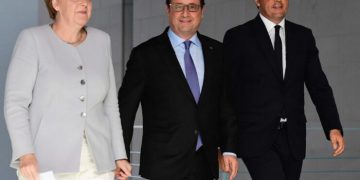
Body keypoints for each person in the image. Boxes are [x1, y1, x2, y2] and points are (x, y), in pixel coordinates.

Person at [4, 0, 131, 179]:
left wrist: (119, 155)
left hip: (98, 166)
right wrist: (25, 153)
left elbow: (110, 105)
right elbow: (16, 104)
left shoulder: (102, 40)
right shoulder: (33, 39)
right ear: (56, 4)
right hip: (45, 164)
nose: (84, 3)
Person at [223, 0, 345, 180]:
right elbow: (226, 92)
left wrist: (333, 126)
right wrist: (226, 145)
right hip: (255, 137)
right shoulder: (238, 36)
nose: (278, 1)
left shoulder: (303, 36)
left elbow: (319, 85)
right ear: (257, 1)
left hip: (293, 138)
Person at [118, 0, 238, 179]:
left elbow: (226, 105)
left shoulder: (218, 52)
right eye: (178, 6)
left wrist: (229, 149)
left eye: (192, 7)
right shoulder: (145, 55)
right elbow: (125, 111)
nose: (185, 13)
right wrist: (121, 156)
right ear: (168, 9)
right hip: (163, 165)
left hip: (205, 164)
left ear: (202, 11)